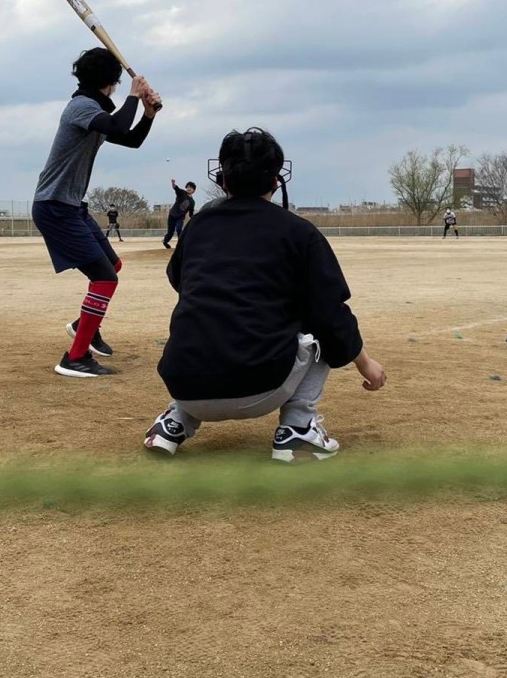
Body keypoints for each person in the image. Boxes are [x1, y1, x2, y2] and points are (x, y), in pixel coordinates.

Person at [144, 128, 386, 461]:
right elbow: (331, 314)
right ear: (275, 180)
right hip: (261, 388)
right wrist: (365, 364)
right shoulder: (299, 232)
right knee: (317, 319)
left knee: (206, 314)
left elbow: (180, 281)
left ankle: (176, 421)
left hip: (183, 385)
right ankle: (298, 428)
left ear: (223, 180)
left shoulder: (198, 227)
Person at [32, 48, 161, 378]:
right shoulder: (81, 107)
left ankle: (84, 326)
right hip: (54, 206)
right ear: (111, 82)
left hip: (72, 207)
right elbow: (118, 125)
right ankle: (74, 358)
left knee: (112, 266)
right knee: (105, 278)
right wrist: (134, 95)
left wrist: (147, 113)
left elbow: (129, 139)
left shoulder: (94, 110)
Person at [162, 178, 196, 248]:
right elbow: (176, 189)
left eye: (191, 188)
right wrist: (173, 184)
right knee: (170, 233)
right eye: (188, 187)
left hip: (180, 218)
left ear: (194, 190)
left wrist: (194, 218)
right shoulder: (182, 193)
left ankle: (180, 245)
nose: (189, 189)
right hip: (172, 215)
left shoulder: (192, 202)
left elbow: (191, 214)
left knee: (179, 229)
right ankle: (165, 241)